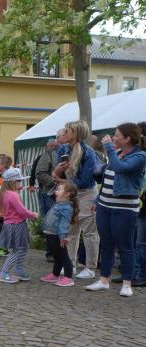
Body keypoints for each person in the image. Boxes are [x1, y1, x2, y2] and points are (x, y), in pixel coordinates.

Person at [86, 122, 146, 296]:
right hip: (105, 206)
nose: (113, 137)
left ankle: (127, 284)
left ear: (127, 139)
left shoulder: (140, 156)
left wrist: (109, 149)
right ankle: (104, 280)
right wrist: (98, 199)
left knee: (125, 246)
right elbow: (108, 180)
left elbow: (121, 169)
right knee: (107, 244)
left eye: (117, 135)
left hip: (124, 209)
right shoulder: (117, 153)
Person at [53, 120, 99, 280]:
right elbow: (58, 174)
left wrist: (60, 179)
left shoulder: (88, 153)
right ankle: (70, 264)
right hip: (70, 193)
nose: (64, 133)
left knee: (89, 232)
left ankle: (90, 267)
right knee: (71, 230)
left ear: (76, 133)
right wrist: (57, 172)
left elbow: (85, 181)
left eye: (67, 131)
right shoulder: (63, 149)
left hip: (86, 193)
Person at [0, 168, 39, 283]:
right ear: (14, 182)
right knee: (16, 250)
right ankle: (4, 273)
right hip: (16, 225)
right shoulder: (13, 195)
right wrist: (34, 215)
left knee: (22, 248)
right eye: (19, 181)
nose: (21, 183)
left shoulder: (4, 193)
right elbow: (22, 211)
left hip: (10, 225)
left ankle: (19, 269)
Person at [41, 182, 79, 287]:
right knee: (56, 256)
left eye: (59, 190)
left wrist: (63, 236)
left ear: (68, 194)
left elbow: (64, 223)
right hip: (50, 233)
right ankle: (55, 274)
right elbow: (49, 193)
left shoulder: (67, 208)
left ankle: (68, 278)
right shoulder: (58, 203)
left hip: (57, 235)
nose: (56, 192)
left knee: (63, 256)